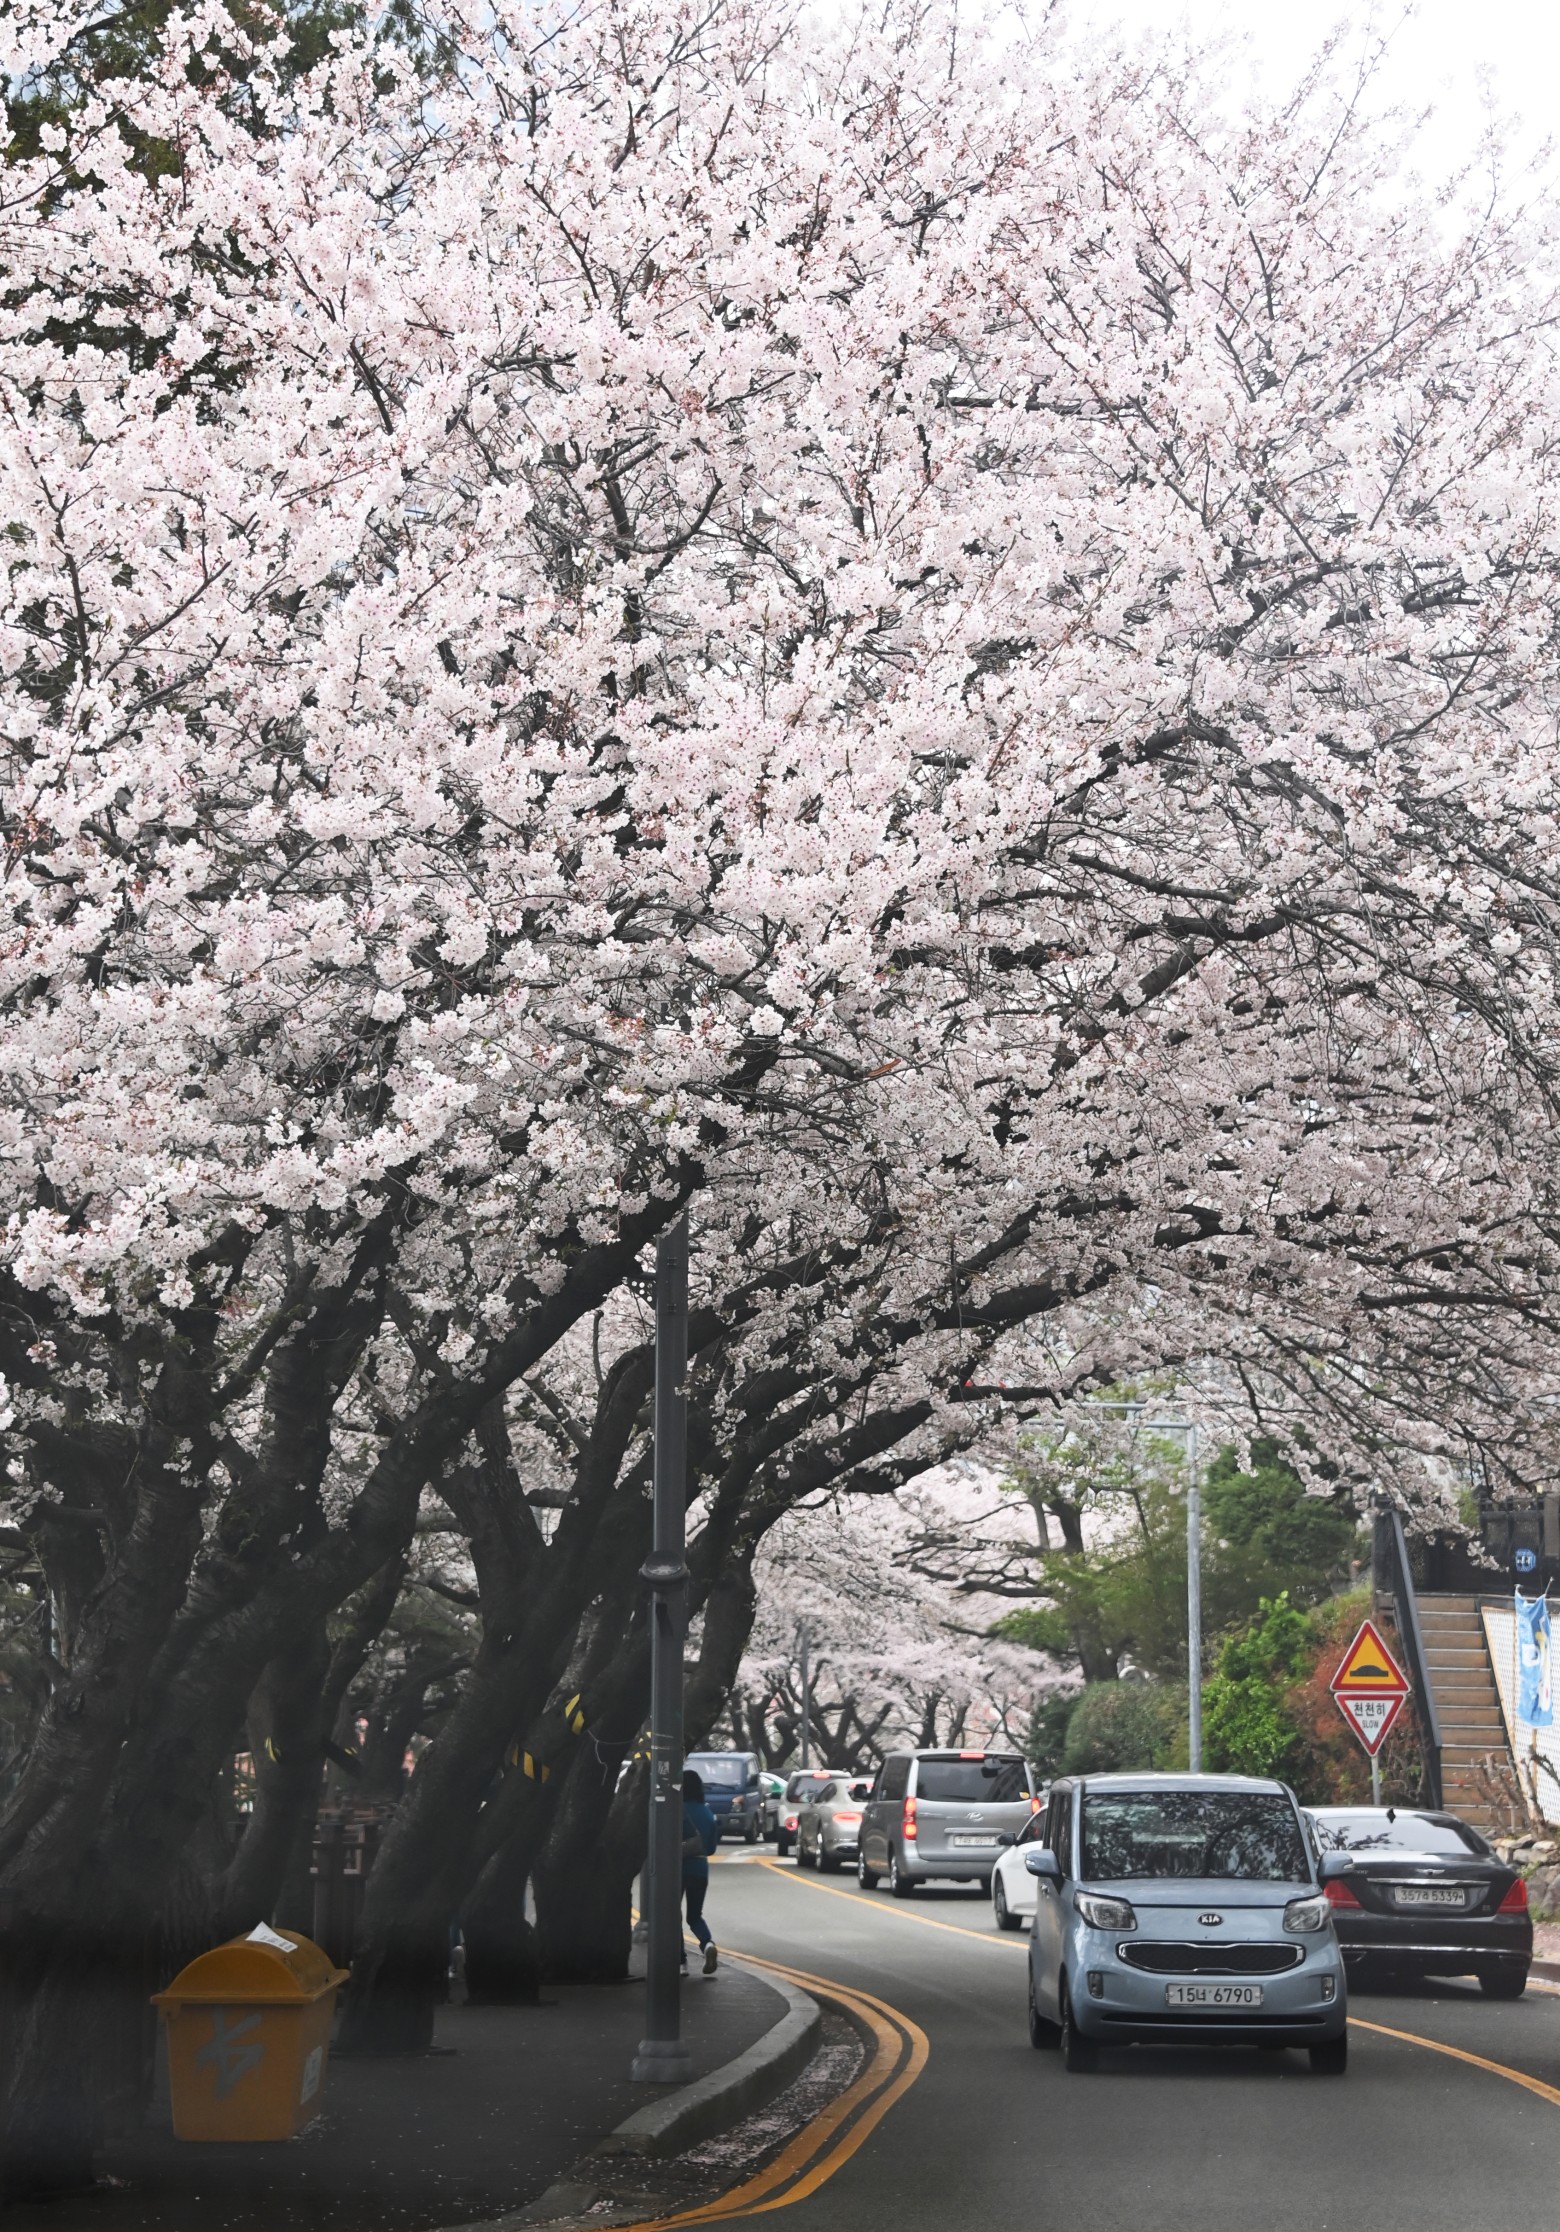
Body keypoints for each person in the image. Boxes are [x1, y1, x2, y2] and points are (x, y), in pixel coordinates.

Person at [681, 1768, 720, 1975]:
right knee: (695, 1916)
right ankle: (707, 1944)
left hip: (676, 1868)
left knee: (672, 1915)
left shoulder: (676, 1810)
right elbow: (711, 1848)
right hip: (700, 1868)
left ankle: (681, 1962)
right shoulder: (707, 1812)